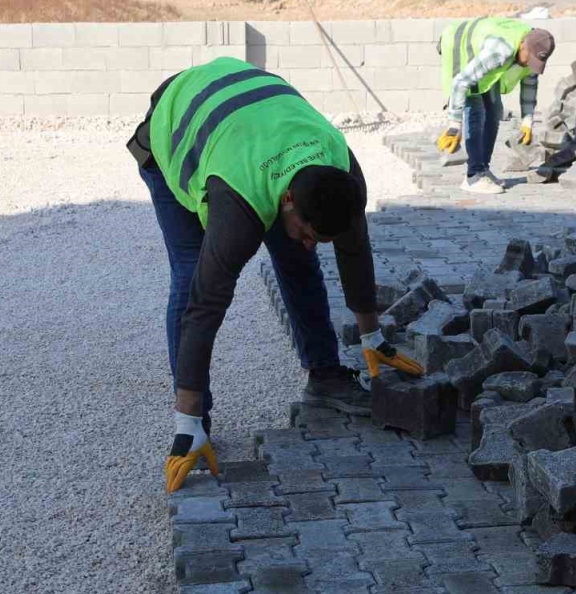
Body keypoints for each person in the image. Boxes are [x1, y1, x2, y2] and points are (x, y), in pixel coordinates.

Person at [127, 57, 426, 494]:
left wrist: (372, 337)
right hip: (177, 123)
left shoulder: (341, 174)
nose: (310, 242)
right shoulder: (237, 205)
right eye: (308, 233)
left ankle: (324, 376)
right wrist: (185, 418)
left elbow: (354, 250)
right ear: (287, 200)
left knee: (297, 260)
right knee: (193, 276)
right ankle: (195, 423)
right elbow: (205, 305)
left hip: (254, 121)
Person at [435, 18, 556, 194]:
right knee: (476, 110)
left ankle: (483, 168)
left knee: (495, 110)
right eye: (528, 59)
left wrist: (527, 121)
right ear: (522, 46)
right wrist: (454, 126)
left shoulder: (534, 48)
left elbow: (530, 85)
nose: (529, 64)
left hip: (485, 53)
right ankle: (473, 176)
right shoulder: (499, 52)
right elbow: (460, 83)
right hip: (460, 46)